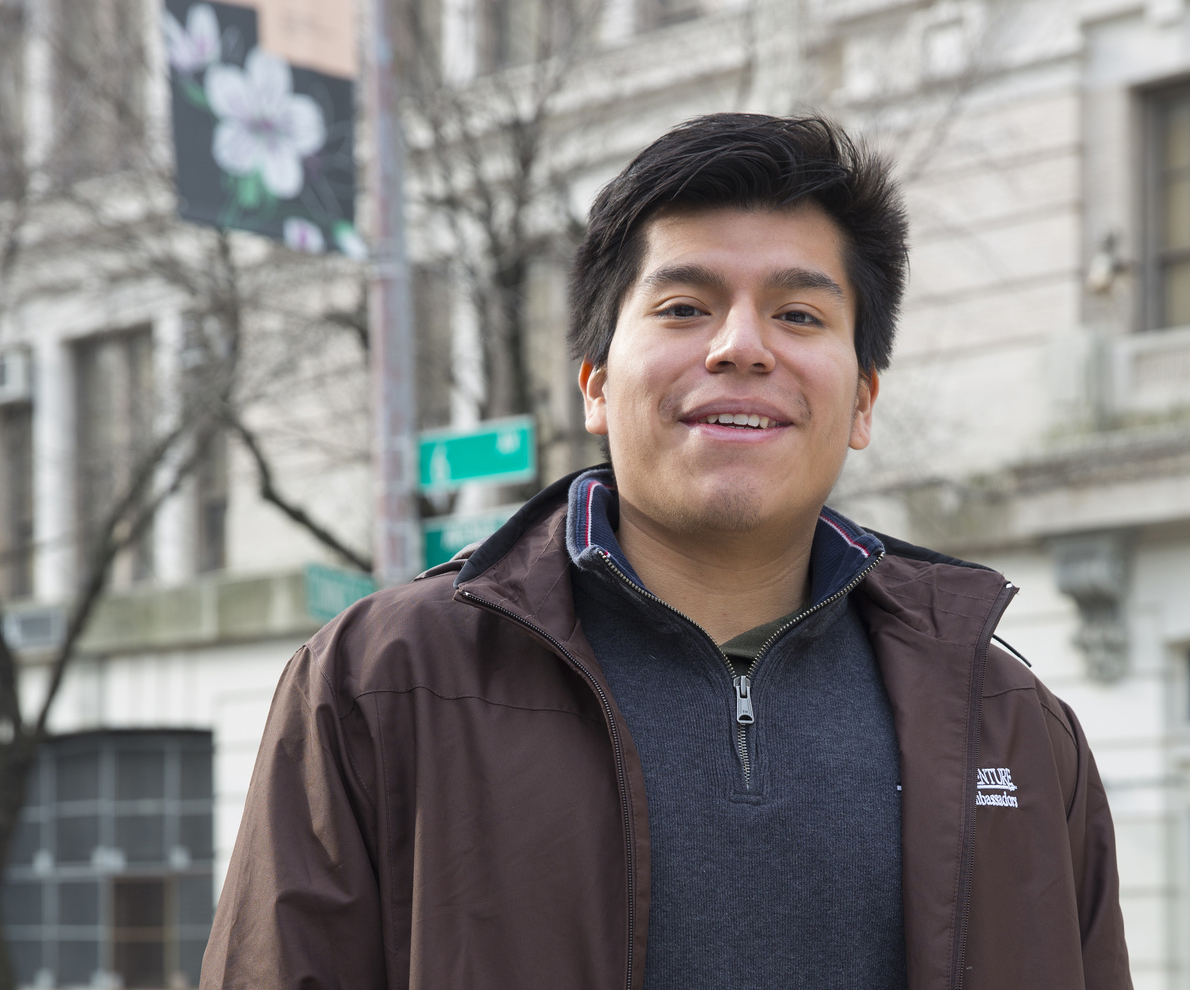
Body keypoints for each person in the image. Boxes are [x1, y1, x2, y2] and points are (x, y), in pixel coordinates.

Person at [202, 113, 1132, 990]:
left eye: (800, 316)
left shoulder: (1011, 726)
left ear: (861, 402)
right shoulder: (380, 684)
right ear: (597, 386)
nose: (740, 346)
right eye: (684, 307)